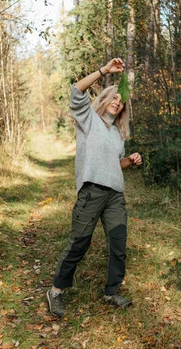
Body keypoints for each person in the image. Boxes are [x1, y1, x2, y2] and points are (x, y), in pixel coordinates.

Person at [46, 58, 143, 317]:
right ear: (104, 99)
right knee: (79, 242)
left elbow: (114, 164)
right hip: (91, 192)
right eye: (113, 98)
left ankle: (112, 291)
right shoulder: (88, 119)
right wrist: (105, 71)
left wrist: (129, 161)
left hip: (114, 195)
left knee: (118, 244)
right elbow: (76, 91)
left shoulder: (117, 134)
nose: (117, 102)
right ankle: (56, 291)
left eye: (120, 102)